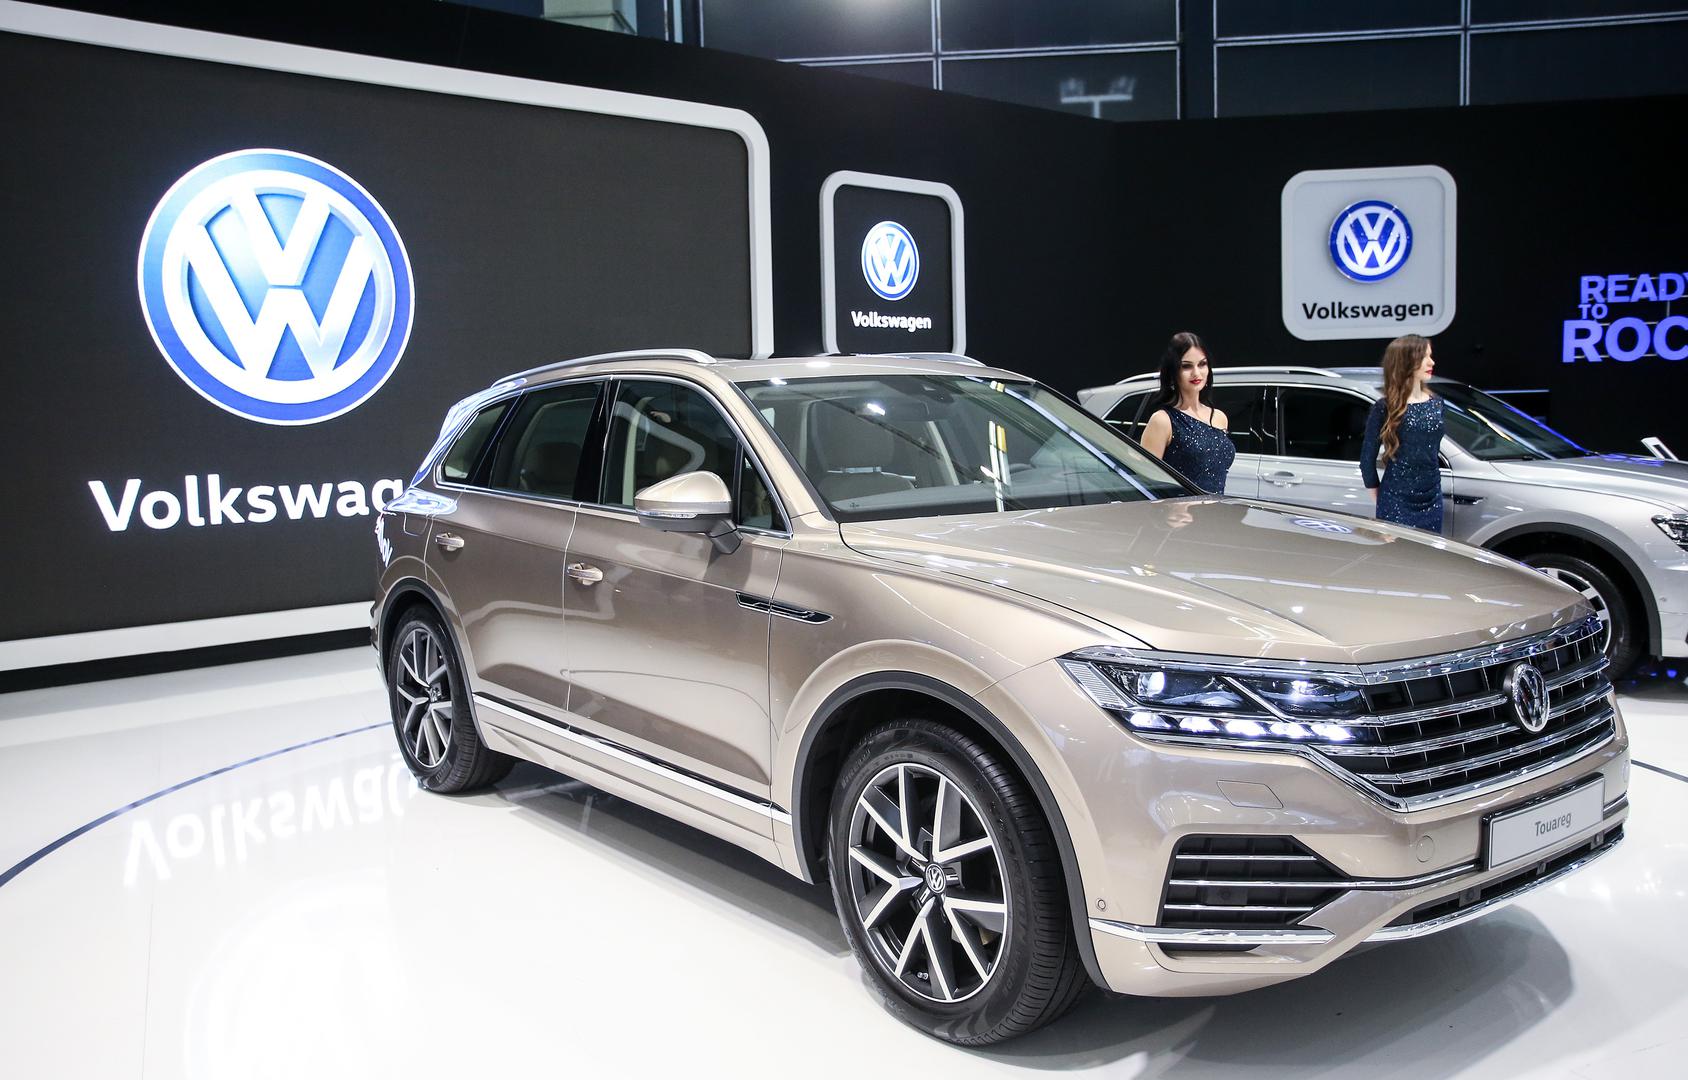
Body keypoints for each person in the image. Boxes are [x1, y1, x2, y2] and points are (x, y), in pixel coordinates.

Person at [1360, 334, 1444, 533]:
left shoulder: (1437, 404)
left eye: (1430, 356)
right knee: (1399, 552)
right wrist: (1379, 496)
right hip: (1396, 499)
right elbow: (1367, 458)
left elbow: (1432, 451)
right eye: (1424, 357)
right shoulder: (1384, 407)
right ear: (1406, 361)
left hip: (1432, 497)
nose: (1431, 362)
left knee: (1429, 551)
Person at [1140, 332, 1234, 494]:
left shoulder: (1219, 417)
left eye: (1202, 364)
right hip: (1178, 508)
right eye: (1186, 366)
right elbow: (1147, 483)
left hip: (1217, 507)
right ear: (1172, 371)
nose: (1196, 373)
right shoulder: (1163, 420)